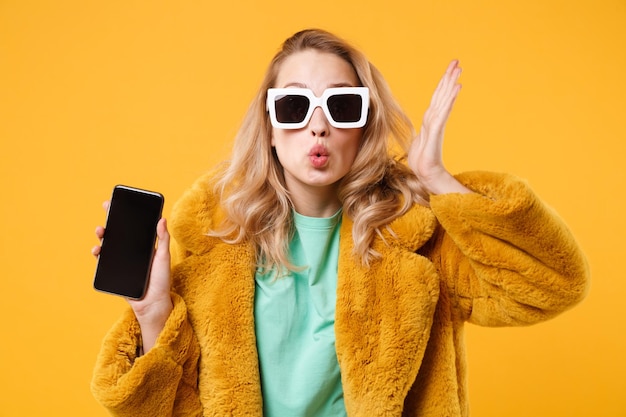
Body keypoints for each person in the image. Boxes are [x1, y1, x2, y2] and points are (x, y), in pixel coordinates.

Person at [90, 28, 589, 416]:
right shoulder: (212, 254)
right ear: (268, 126)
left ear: (365, 124)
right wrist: (153, 313)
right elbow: (157, 409)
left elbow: (553, 283)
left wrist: (438, 179)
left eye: (342, 104)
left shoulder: (419, 244)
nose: (319, 124)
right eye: (294, 104)